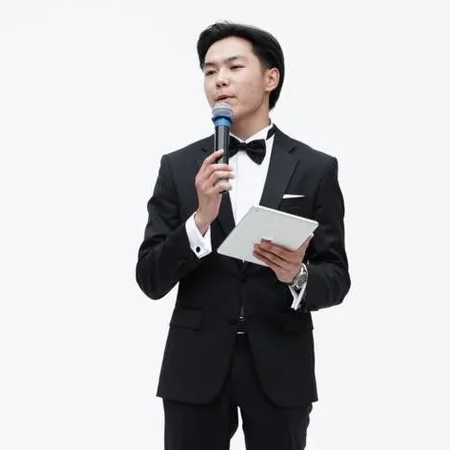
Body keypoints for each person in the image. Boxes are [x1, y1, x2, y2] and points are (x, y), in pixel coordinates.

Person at [135, 21, 351, 450]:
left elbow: (337, 277)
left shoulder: (315, 168)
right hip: (194, 367)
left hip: (280, 367)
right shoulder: (178, 167)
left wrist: (297, 275)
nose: (220, 80)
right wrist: (199, 221)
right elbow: (150, 278)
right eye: (210, 70)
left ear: (271, 78)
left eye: (234, 67)